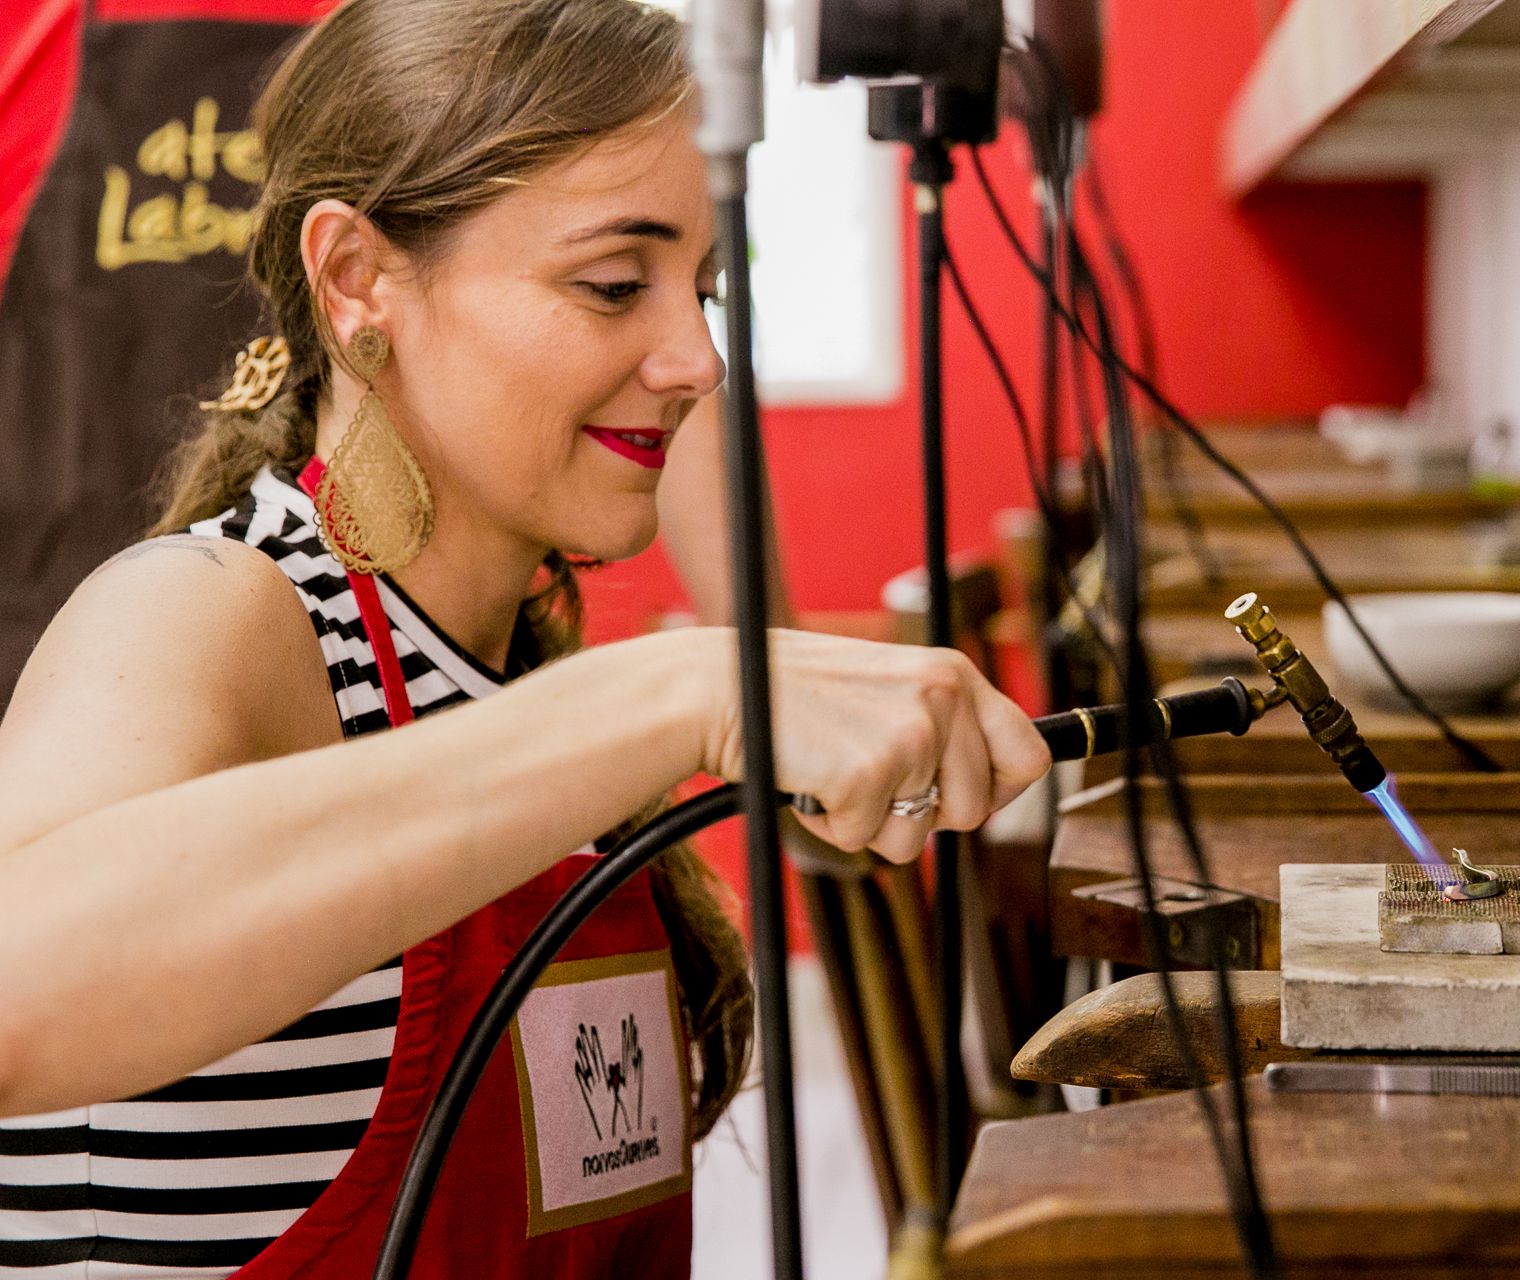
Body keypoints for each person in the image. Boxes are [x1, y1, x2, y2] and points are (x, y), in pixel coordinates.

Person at [0, 1, 1051, 1276]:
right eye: (613, 284)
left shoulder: (504, 669)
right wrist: (673, 686)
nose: (699, 358)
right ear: (356, 281)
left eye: (706, 287)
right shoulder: (212, 610)